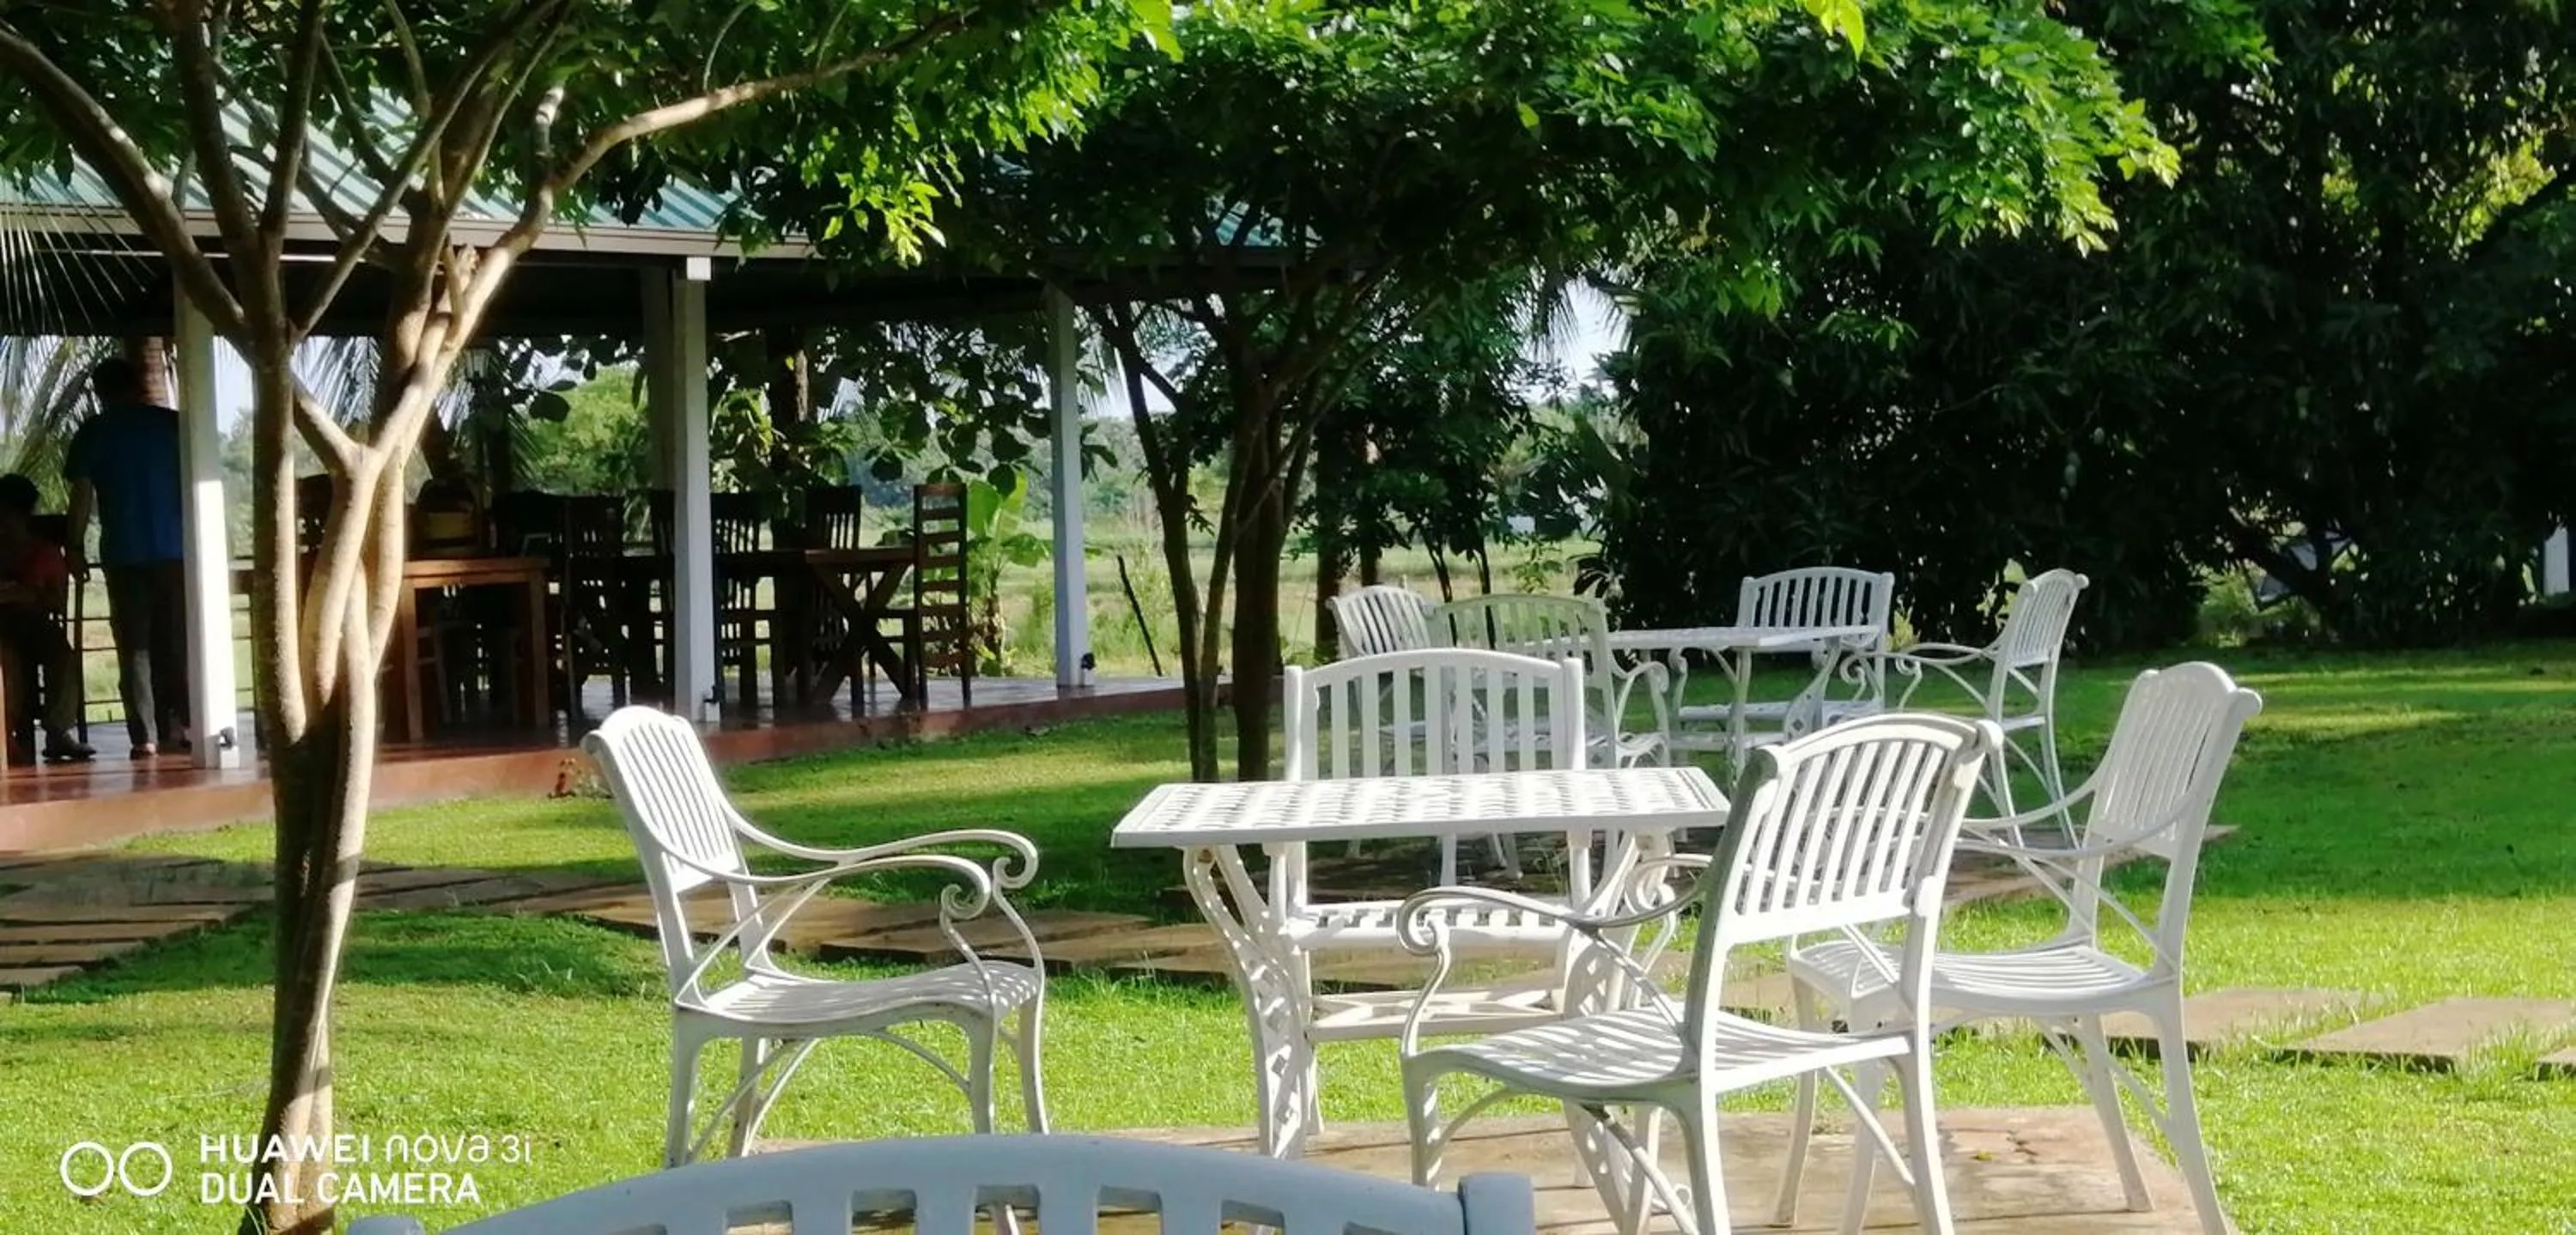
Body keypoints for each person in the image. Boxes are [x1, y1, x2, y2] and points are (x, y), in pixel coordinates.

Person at [66, 357, 191, 758]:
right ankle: (189, 723)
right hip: (176, 551)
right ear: (139, 385)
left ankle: (146, 737)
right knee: (177, 641)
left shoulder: (94, 434)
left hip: (124, 554)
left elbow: (82, 499)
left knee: (134, 648)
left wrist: (73, 547)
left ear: (99, 393)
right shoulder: (172, 426)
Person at [0, 474, 94, 763]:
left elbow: (57, 600)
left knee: (63, 657)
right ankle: (9, 733)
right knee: (8, 662)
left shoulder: (45, 551)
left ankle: (58, 732)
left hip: (35, 623)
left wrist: (28, 595)